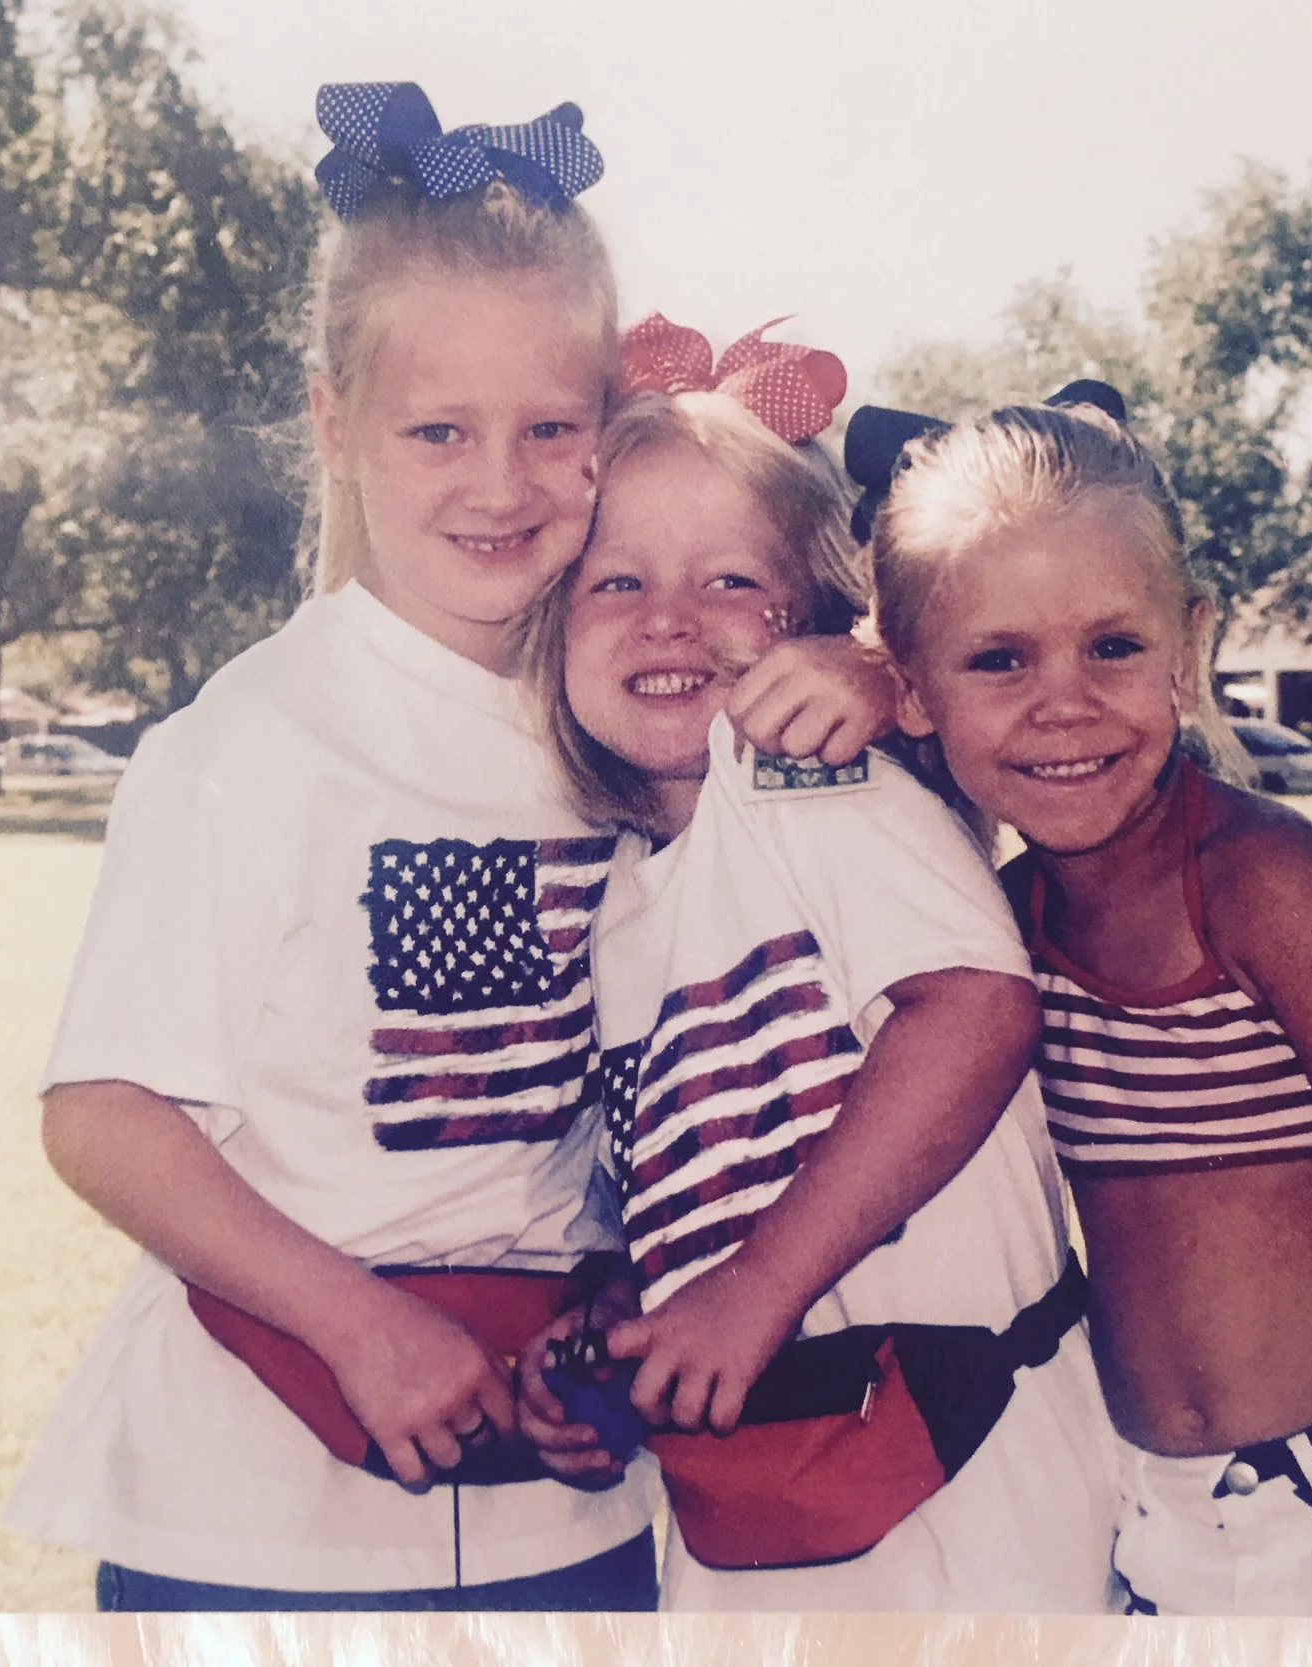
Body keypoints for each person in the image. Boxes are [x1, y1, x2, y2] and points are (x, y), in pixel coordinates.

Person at [0, 86, 880, 1613]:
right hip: (263, 1513)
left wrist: (872, 666)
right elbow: (105, 1113)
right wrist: (357, 1322)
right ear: (338, 428)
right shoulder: (254, 743)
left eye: (553, 429)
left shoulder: (628, 704)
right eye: (438, 430)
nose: (502, 481)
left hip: (561, 1503)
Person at [858, 393, 1312, 1618]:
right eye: (998, 656)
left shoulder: (1271, 889)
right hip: (1160, 1518)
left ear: (1188, 646)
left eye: (1113, 646)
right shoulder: (987, 932)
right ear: (914, 685)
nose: (1063, 701)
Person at [513, 326, 1117, 1613]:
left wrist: (754, 1288)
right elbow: (712, 1171)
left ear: (815, 625)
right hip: (780, 1496)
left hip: (966, 1498)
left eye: (731, 580)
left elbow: (973, 1010)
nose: (671, 617)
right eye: (614, 583)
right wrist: (626, 1313)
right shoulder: (624, 890)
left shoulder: (803, 776)